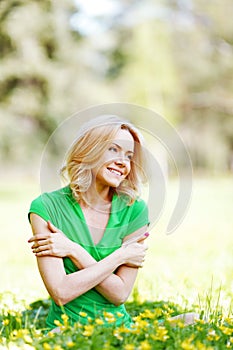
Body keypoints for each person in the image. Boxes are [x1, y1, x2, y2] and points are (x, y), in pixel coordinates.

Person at [28, 115, 199, 332]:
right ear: (88, 149)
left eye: (129, 156)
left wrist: (73, 250)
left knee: (192, 319)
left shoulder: (135, 210)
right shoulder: (46, 207)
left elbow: (120, 294)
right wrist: (121, 255)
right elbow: (61, 292)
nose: (123, 162)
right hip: (63, 332)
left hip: (118, 330)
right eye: (113, 149)